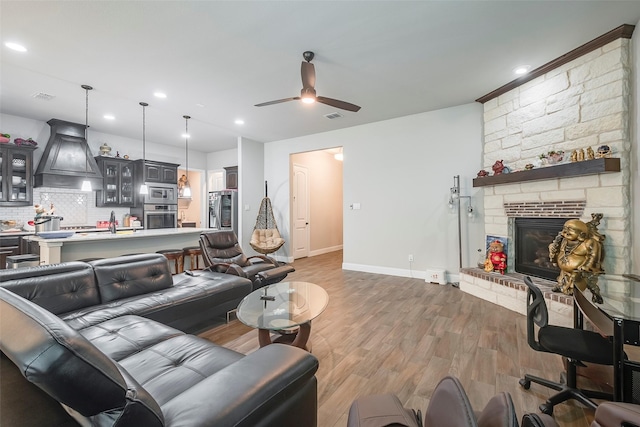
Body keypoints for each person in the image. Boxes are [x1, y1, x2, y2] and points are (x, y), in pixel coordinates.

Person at [548, 215, 604, 303]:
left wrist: (586, 267)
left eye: (570, 230)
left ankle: (595, 294)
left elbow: (593, 256)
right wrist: (553, 255)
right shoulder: (565, 240)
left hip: (580, 272)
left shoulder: (589, 242)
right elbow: (558, 249)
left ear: (581, 234)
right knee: (562, 278)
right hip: (564, 269)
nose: (565, 232)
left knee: (585, 281)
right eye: (565, 229)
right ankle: (561, 285)